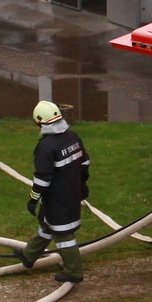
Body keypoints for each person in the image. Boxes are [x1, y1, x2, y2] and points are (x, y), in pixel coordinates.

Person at [16, 101, 88, 283]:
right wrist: (83, 184)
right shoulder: (73, 136)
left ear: (39, 122)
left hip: (58, 197)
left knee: (64, 235)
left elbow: (42, 179)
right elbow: (85, 162)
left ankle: (74, 272)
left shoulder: (46, 146)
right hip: (72, 191)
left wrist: (33, 198)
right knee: (47, 224)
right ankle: (29, 255)